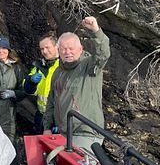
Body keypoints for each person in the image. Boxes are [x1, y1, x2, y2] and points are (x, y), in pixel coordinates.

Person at [43, 16, 111, 153]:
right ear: (58, 51)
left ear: (81, 49)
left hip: (86, 133)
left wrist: (95, 31)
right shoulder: (57, 72)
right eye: (63, 49)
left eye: (71, 48)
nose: (67, 52)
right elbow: (51, 101)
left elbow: (103, 54)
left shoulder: (89, 66)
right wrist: (47, 127)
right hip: (63, 133)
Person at [23, 32, 60, 133]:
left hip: (57, 119)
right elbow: (27, 90)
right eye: (42, 49)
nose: (44, 51)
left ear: (57, 46)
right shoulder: (39, 66)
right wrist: (31, 81)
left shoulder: (64, 66)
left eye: (47, 47)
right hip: (41, 116)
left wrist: (60, 122)